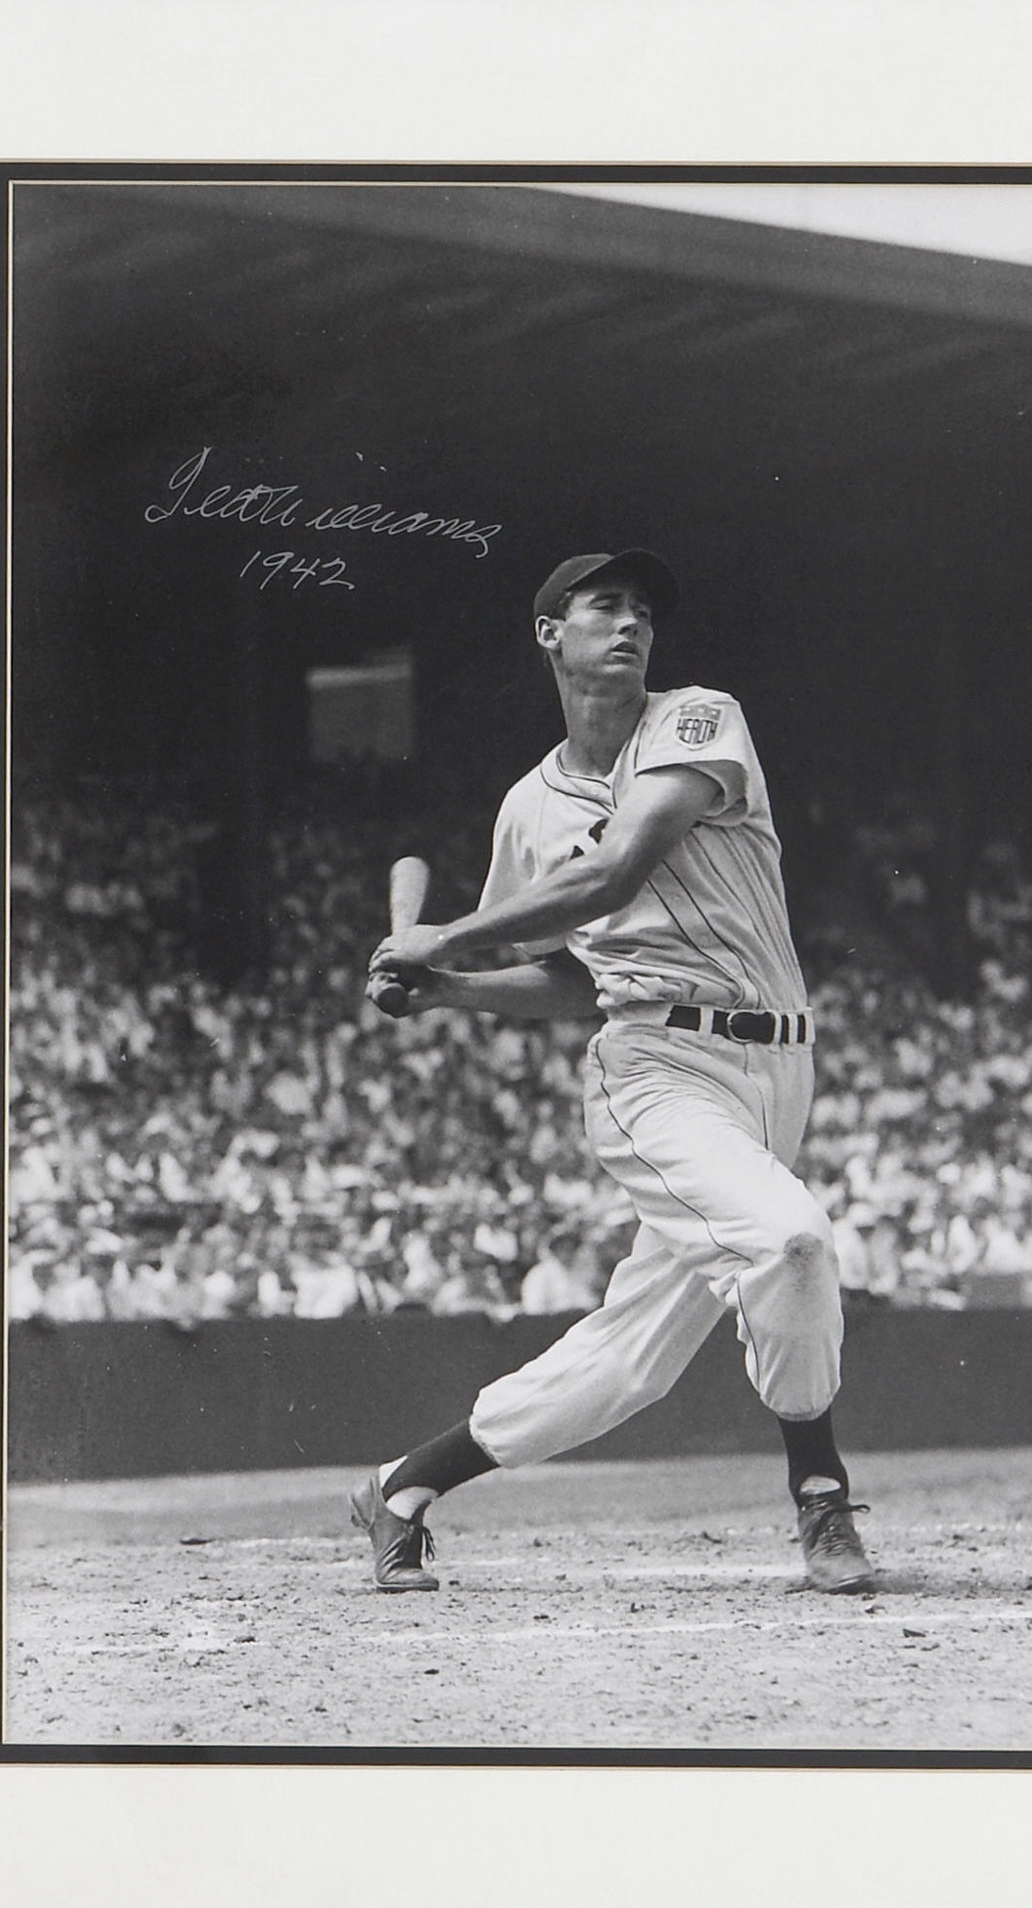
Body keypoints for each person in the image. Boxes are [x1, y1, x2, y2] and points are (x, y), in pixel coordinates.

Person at [360, 548, 876, 1595]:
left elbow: (615, 869)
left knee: (635, 1355)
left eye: (643, 607)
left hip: (777, 1066)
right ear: (551, 634)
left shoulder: (696, 717)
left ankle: (403, 1487)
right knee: (789, 1242)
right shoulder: (525, 811)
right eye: (603, 606)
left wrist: (444, 945)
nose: (631, 621)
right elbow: (562, 975)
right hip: (654, 1069)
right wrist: (450, 987)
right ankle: (822, 1495)